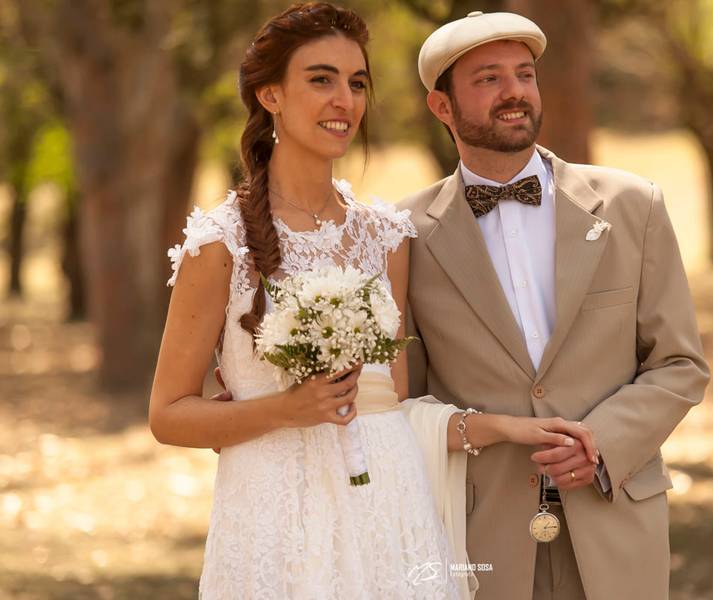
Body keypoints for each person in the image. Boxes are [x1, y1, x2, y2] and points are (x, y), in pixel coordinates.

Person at [148, 4, 595, 599]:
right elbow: (168, 415)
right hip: (276, 514)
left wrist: (506, 428)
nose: (345, 100)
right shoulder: (219, 243)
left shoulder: (387, 236)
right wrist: (284, 410)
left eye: (357, 83)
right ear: (270, 95)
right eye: (321, 79)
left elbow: (396, 407)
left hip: (392, 510)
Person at [402, 10, 710, 600]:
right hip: (479, 537)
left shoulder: (633, 206)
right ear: (442, 106)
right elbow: (404, 402)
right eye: (488, 79)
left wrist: (602, 444)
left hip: (616, 518)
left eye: (524, 74)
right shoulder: (403, 234)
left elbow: (680, 364)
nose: (514, 91)